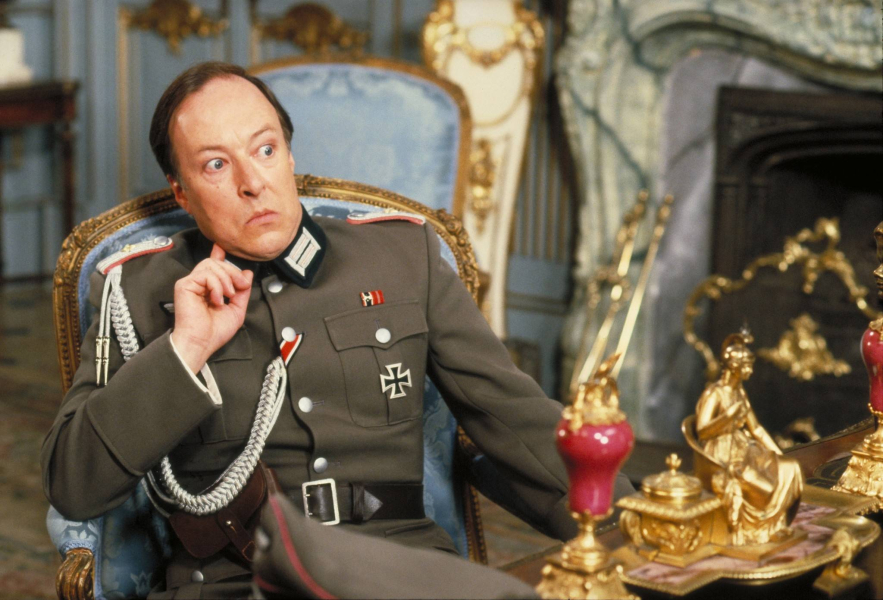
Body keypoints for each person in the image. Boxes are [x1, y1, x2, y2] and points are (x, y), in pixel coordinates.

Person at [42, 61, 631, 598]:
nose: (252, 182)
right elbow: (73, 483)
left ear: (289, 156)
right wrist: (185, 347)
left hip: (399, 566)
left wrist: (636, 531)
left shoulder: (402, 257)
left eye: (265, 149)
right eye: (216, 165)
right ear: (182, 192)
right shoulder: (138, 290)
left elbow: (513, 419)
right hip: (236, 581)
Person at [695, 331, 803, 546]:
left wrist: (779, 454)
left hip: (744, 449)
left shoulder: (740, 392)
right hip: (722, 456)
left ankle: (773, 527)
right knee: (766, 488)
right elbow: (702, 431)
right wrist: (727, 417)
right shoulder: (714, 394)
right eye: (747, 366)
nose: (751, 371)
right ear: (733, 366)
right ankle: (757, 529)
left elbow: (757, 429)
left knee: (789, 468)